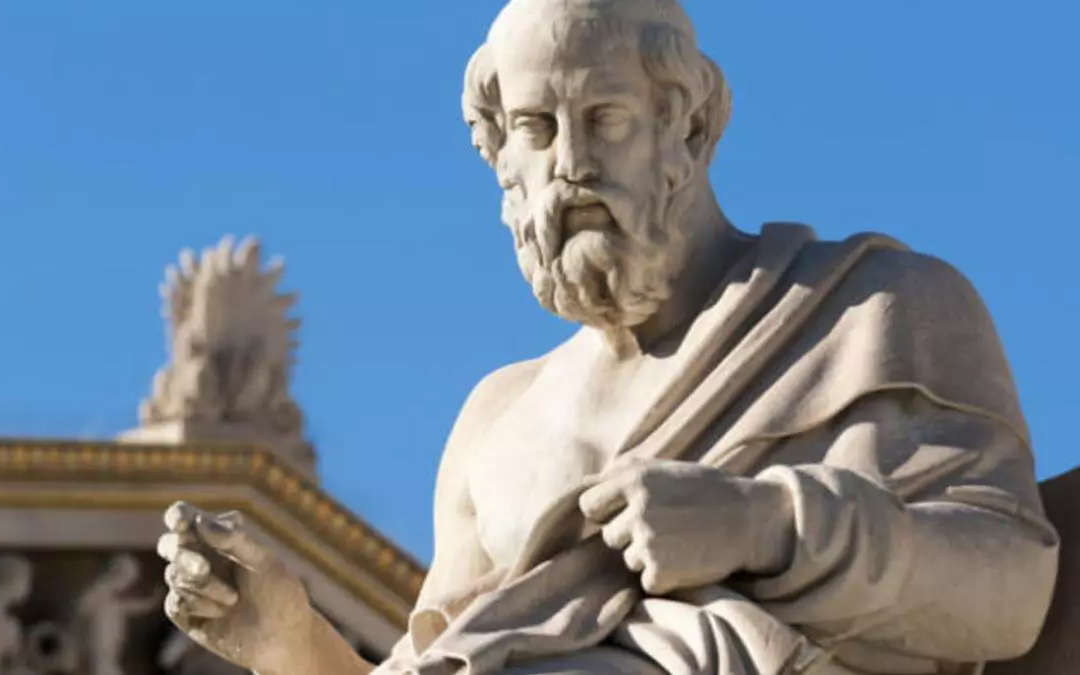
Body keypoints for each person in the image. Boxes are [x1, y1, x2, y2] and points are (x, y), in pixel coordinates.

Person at [156, 1, 1059, 673]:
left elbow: (1010, 590)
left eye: (605, 117)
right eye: (536, 128)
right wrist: (295, 643)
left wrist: (762, 523)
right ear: (501, 159)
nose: (572, 165)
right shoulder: (496, 425)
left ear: (689, 128)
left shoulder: (871, 311)